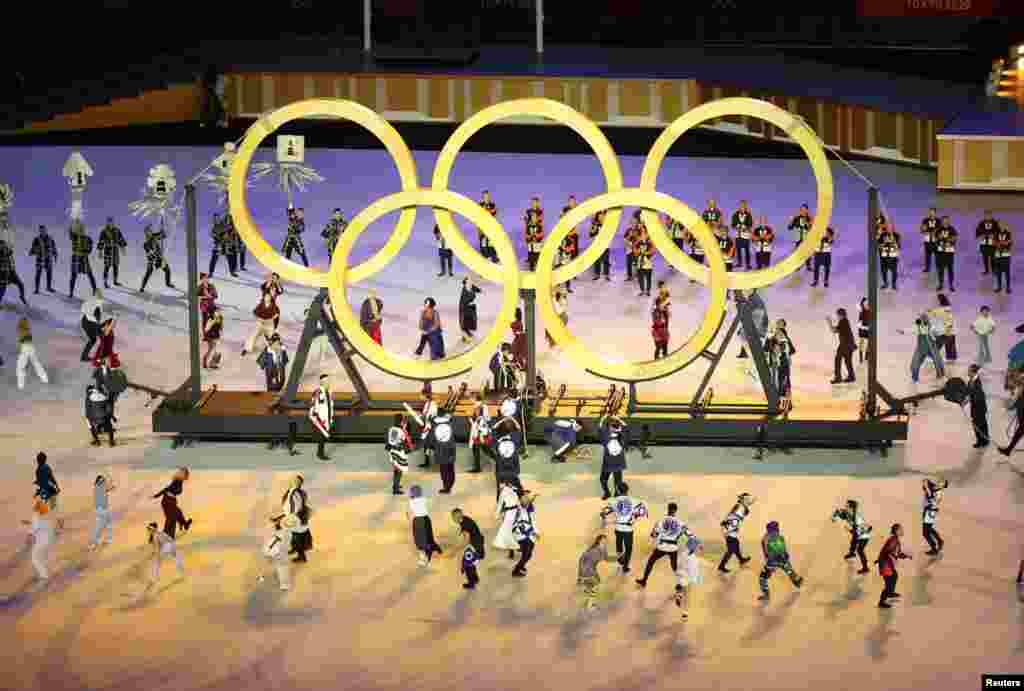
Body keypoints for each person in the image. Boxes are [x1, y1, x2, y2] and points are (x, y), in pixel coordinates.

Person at [599, 484, 647, 574]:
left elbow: (604, 512)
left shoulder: (613, 501)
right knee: (629, 548)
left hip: (618, 527)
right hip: (628, 528)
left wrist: (604, 518)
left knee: (619, 545)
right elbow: (643, 511)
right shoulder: (634, 501)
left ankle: (620, 560)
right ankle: (625, 566)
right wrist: (635, 516)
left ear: (617, 490)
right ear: (627, 490)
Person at [635, 502, 685, 588]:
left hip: (662, 546)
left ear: (668, 509)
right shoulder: (680, 522)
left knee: (651, 561)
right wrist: (675, 537)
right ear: (675, 511)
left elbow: (654, 534)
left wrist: (654, 536)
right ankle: (681, 582)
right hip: (673, 548)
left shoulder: (661, 520)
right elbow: (682, 533)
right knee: (674, 567)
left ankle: (644, 580)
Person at [758, 521, 803, 601]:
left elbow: (766, 552)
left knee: (762, 578)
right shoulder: (781, 537)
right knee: (789, 570)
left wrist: (768, 562)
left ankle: (766, 595)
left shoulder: (765, 539)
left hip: (772, 562)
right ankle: (797, 581)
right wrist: (785, 558)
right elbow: (785, 551)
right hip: (783, 559)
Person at [578, 534, 619, 610]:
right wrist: (582, 575)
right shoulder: (595, 550)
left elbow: (607, 559)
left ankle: (588, 592)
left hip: (590, 569)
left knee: (594, 584)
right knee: (596, 585)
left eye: (606, 540)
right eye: (604, 540)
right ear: (599, 541)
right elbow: (583, 560)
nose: (606, 541)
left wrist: (617, 557)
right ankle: (590, 605)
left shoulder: (602, 549)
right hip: (587, 569)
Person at [875, 523, 911, 608]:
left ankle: (890, 593)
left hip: (888, 563)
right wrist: (891, 556)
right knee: (889, 582)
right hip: (885, 564)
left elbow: (897, 552)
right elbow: (889, 551)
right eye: (900, 529)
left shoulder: (896, 540)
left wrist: (906, 556)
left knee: (894, 576)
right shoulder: (893, 540)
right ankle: (882, 601)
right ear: (896, 531)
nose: (902, 531)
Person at [832, 499, 872, 574]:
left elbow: (863, 529)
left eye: (847, 506)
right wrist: (835, 516)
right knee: (853, 542)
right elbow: (839, 513)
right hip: (857, 533)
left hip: (863, 536)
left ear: (851, 508)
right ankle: (852, 553)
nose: (845, 507)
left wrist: (850, 531)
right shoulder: (847, 513)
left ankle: (865, 568)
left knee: (860, 550)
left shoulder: (857, 518)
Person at [718, 493, 755, 573]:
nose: (748, 501)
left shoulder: (741, 507)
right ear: (742, 499)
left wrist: (726, 523)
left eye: (748, 500)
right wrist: (729, 526)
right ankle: (721, 566)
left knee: (736, 544)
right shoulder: (739, 506)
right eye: (746, 500)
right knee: (731, 549)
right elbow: (732, 516)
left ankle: (741, 560)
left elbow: (735, 515)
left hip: (731, 529)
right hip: (730, 530)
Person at [904, 314, 946, 383]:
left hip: (931, 348)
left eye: (925, 319)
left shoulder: (931, 326)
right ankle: (915, 378)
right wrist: (903, 331)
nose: (923, 321)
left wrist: (939, 334)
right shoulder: (918, 327)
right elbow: (910, 330)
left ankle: (940, 375)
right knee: (915, 363)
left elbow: (939, 332)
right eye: (922, 319)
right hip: (921, 348)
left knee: (938, 361)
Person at [407, 485, 442, 566]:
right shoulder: (424, 499)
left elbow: (409, 513)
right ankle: (436, 548)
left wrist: (408, 517)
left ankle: (424, 559)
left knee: (420, 540)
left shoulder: (411, 501)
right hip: (426, 519)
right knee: (429, 536)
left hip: (418, 521)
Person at [674, 528, 704, 621]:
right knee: (688, 596)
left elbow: (678, 565)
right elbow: (693, 572)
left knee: (681, 587)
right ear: (694, 548)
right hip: (687, 577)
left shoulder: (682, 553)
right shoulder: (694, 559)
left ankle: (679, 593)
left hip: (680, 576)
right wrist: (697, 579)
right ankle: (684, 614)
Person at [281, 475, 312, 563]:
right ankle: (294, 548)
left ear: (300, 483)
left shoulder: (297, 493)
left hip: (296, 518)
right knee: (293, 535)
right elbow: (288, 506)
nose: (294, 482)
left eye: (297, 481)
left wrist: (291, 518)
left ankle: (301, 557)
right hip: (296, 517)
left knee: (297, 537)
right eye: (294, 480)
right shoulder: (294, 492)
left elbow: (294, 507)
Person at [154, 468, 192, 539]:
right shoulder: (177, 481)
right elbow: (167, 489)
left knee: (178, 512)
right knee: (171, 518)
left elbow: (168, 489)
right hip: (168, 501)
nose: (187, 477)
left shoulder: (179, 481)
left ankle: (184, 524)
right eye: (186, 475)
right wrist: (157, 495)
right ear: (183, 475)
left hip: (170, 501)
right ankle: (167, 535)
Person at [452, 508, 485, 589]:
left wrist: (457, 548)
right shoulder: (465, 519)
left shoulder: (465, 524)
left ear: (456, 517)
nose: (452, 519)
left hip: (474, 546)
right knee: (471, 563)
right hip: (478, 543)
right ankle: (475, 578)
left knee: (467, 565)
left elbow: (467, 539)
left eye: (453, 517)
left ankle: (471, 583)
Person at [23, 498, 55, 584]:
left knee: (35, 558)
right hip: (49, 539)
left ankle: (44, 577)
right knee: (42, 558)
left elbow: (33, 529)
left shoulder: (36, 516)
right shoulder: (44, 516)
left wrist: (27, 540)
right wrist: (29, 523)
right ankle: (44, 574)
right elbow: (38, 524)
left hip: (43, 541)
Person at [261, 514, 296, 591]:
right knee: (281, 566)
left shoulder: (284, 531)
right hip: (277, 549)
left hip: (278, 549)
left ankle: (284, 584)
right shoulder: (283, 531)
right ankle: (284, 584)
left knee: (280, 566)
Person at [598, 416, 629, 499]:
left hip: (614, 462)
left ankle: (614, 493)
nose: (614, 427)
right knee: (606, 480)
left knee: (615, 481)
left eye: (615, 426)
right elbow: (600, 427)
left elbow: (626, 428)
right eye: (613, 426)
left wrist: (618, 419)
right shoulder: (608, 436)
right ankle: (609, 493)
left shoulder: (619, 436)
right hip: (611, 462)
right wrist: (605, 418)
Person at [511, 490, 539, 577]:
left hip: (528, 533)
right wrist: (532, 496)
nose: (527, 499)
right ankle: (516, 570)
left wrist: (535, 532)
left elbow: (532, 519)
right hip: (521, 535)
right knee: (527, 554)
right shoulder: (519, 506)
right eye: (525, 496)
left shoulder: (529, 507)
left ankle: (521, 565)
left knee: (528, 553)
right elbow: (525, 502)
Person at [139, 224, 174, 293]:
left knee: (167, 270)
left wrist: (162, 232)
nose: (150, 232)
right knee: (148, 273)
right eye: (148, 231)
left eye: (150, 231)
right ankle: (142, 287)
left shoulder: (154, 236)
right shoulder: (146, 243)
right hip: (151, 260)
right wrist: (152, 254)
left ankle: (168, 283)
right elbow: (149, 252)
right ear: (146, 233)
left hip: (159, 258)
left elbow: (164, 236)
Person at [15, 318, 48, 390]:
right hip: (31, 348)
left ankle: (20, 385)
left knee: (20, 367)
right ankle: (45, 379)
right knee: (36, 363)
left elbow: (22, 340)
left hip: (25, 348)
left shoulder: (23, 330)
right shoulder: (27, 330)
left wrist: (20, 346)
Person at [243, 291, 279, 357]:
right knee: (253, 335)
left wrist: (273, 321)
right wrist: (259, 318)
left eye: (268, 297)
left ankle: (273, 351)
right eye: (266, 297)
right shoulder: (261, 304)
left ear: (270, 298)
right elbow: (254, 312)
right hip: (260, 322)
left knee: (272, 337)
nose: (267, 298)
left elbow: (276, 315)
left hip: (269, 323)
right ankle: (247, 348)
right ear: (264, 297)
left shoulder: (274, 306)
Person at [493, 420, 524, 499]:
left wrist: (502, 420)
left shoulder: (496, 438)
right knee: (518, 490)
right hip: (513, 470)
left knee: (500, 492)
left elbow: (494, 428)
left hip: (500, 471)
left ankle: (501, 505)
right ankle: (521, 503)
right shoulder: (515, 437)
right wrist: (511, 418)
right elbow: (519, 428)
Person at [68, 219, 97, 297]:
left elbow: (90, 248)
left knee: (90, 275)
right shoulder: (74, 237)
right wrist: (73, 223)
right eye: (79, 228)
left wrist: (86, 251)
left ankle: (95, 290)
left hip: (84, 258)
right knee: (73, 275)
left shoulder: (88, 238)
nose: (81, 230)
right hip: (75, 258)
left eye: (82, 228)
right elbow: (70, 233)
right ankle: (71, 292)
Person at [309, 374, 335, 461]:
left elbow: (331, 404)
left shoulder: (330, 392)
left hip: (327, 417)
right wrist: (316, 416)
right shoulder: (317, 392)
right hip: (320, 417)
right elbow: (314, 405)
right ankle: (320, 454)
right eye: (326, 381)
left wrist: (331, 417)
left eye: (328, 381)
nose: (328, 382)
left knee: (323, 436)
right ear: (322, 382)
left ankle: (320, 452)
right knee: (321, 435)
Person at [96, 217, 127, 288]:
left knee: (116, 266)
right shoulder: (103, 231)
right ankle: (105, 282)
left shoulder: (117, 230)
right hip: (107, 250)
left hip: (115, 250)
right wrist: (100, 252)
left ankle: (115, 281)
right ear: (107, 223)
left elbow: (121, 239)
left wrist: (123, 249)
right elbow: (101, 241)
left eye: (111, 222)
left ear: (113, 222)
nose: (110, 223)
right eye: (109, 222)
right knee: (107, 266)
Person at [431, 410, 457, 494]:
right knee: (450, 467)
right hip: (450, 448)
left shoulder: (434, 424)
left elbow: (433, 438)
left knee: (443, 469)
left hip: (440, 449)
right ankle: (450, 484)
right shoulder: (450, 422)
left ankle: (446, 487)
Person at [34, 452, 61, 530]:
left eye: (38, 459)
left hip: (45, 491)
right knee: (53, 508)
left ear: (38, 460)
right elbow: (51, 478)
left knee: (42, 509)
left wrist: (37, 492)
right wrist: (57, 486)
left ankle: (42, 525)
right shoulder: (46, 467)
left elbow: (40, 482)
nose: (37, 461)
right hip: (50, 490)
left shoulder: (38, 470)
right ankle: (57, 524)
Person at [828, 308, 856, 384]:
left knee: (838, 359)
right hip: (849, 344)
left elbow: (834, 330)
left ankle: (838, 377)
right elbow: (837, 330)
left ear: (840, 315)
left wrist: (829, 322)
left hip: (845, 345)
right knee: (847, 361)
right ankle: (851, 376)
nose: (837, 316)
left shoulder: (843, 321)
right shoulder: (845, 321)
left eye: (838, 315)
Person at [387, 414, 414, 495]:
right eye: (403, 421)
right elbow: (408, 442)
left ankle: (396, 485)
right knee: (398, 470)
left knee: (397, 469)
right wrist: (411, 448)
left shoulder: (391, 428)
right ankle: (395, 489)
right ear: (401, 421)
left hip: (392, 451)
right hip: (399, 452)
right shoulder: (402, 431)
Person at [468, 392, 494, 473]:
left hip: (480, 431)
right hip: (478, 430)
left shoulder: (481, 406)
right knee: (477, 448)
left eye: (472, 398)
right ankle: (477, 467)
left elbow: (483, 419)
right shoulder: (478, 406)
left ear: (475, 398)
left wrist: (479, 430)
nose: (470, 399)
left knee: (485, 448)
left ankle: (499, 460)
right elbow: (482, 418)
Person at [88, 474, 116, 550]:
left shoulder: (97, 487)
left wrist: (110, 482)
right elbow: (112, 487)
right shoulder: (101, 488)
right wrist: (111, 481)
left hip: (99, 509)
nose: (103, 481)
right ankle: (96, 542)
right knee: (103, 526)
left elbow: (111, 488)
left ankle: (99, 541)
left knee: (102, 525)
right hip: (103, 509)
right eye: (102, 480)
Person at [922, 478, 948, 555]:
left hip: (930, 511)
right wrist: (926, 483)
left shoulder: (939, 493)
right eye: (939, 481)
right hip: (928, 510)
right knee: (929, 529)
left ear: (943, 486)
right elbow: (926, 483)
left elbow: (931, 500)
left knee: (925, 532)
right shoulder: (934, 488)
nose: (939, 482)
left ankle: (934, 548)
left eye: (941, 482)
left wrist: (927, 488)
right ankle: (939, 541)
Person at [28, 224, 58, 293]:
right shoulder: (36, 239)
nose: (42, 231)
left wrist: (55, 255)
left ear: (46, 230)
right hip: (40, 259)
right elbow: (32, 249)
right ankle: (37, 289)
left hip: (48, 259)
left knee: (49, 274)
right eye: (41, 230)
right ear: (39, 231)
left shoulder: (50, 238)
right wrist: (34, 251)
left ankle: (49, 287)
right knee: (38, 274)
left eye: (43, 230)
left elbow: (54, 248)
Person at [208, 213, 239, 277]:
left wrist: (229, 232)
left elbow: (230, 230)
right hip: (219, 245)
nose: (216, 220)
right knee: (214, 259)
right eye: (215, 219)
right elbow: (213, 235)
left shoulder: (224, 225)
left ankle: (232, 271)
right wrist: (219, 236)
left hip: (225, 245)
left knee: (230, 258)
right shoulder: (214, 227)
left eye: (217, 218)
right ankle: (211, 272)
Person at [998, 383, 1024, 457]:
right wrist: (1006, 406)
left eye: (1020, 388)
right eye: (1019, 388)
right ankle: (1008, 450)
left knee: (1017, 435)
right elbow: (1013, 406)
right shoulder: (1020, 397)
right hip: (1021, 422)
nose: (1018, 389)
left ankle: (1008, 450)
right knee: (1017, 435)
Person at [966, 364, 989, 448]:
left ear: (973, 372)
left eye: (969, 370)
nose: (967, 372)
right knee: (977, 424)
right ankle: (981, 440)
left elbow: (978, 394)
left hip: (980, 407)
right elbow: (969, 393)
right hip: (974, 407)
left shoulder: (978, 381)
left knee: (981, 424)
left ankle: (984, 441)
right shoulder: (970, 381)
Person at [0, 237, 27, 306]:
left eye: (4, 245)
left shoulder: (8, 251)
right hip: (3, 273)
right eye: (1, 246)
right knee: (3, 289)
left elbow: (10, 255)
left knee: (20, 284)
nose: (3, 247)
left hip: (12, 272)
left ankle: (22, 297)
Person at [787, 204, 813, 271]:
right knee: (797, 253)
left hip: (807, 238)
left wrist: (807, 223)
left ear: (807, 210)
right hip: (798, 238)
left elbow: (812, 228)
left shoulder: (810, 218)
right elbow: (790, 228)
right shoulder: (796, 218)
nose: (803, 211)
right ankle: (797, 266)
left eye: (804, 209)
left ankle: (808, 266)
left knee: (807, 252)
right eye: (801, 209)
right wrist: (791, 221)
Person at [80, 287, 104, 362]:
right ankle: (101, 356)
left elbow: (83, 309)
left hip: (86, 322)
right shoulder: (95, 303)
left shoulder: (93, 301)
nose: (100, 295)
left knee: (95, 339)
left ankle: (84, 356)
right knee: (100, 338)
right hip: (89, 323)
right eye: (99, 294)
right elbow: (96, 316)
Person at [935, 216, 958, 292]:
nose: (945, 222)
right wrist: (939, 238)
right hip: (940, 252)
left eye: (946, 220)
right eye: (944, 221)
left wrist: (949, 240)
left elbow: (955, 238)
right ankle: (940, 284)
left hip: (949, 252)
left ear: (949, 221)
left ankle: (951, 285)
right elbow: (935, 239)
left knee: (950, 269)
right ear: (942, 221)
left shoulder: (952, 229)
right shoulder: (938, 229)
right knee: (940, 269)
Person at [731, 200, 754, 270]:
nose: (742, 207)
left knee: (747, 250)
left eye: (744, 205)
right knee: (738, 249)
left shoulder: (749, 215)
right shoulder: (735, 214)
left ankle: (748, 264)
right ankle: (739, 263)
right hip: (738, 235)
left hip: (745, 235)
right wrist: (737, 227)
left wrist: (744, 227)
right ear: (739, 206)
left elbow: (750, 224)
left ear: (746, 206)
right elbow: (733, 224)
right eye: (741, 205)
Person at [976, 210, 1000, 275]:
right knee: (985, 258)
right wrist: (980, 236)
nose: (988, 217)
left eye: (989, 215)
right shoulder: (981, 223)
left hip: (992, 243)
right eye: (986, 215)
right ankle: (986, 270)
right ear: (984, 216)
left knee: (993, 258)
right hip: (983, 244)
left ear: (991, 216)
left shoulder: (995, 223)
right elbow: (977, 233)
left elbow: (998, 232)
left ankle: (993, 270)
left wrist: (994, 237)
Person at [878, 222, 901, 291]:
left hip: (893, 257)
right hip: (884, 256)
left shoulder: (896, 235)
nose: (889, 228)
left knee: (894, 272)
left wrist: (893, 242)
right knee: (884, 271)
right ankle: (885, 283)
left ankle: (893, 284)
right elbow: (879, 246)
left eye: (891, 227)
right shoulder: (882, 235)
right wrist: (884, 242)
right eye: (888, 227)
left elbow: (898, 247)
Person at [459, 277, 481, 343]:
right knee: (465, 321)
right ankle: (465, 336)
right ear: (465, 282)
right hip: (465, 307)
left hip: (471, 307)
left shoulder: (472, 287)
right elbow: (464, 300)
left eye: (470, 281)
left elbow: (478, 290)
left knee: (471, 320)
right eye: (468, 281)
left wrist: (479, 290)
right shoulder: (464, 290)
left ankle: (468, 333)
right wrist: (469, 303)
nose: (470, 282)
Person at [590, 210, 611, 280]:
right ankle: (597, 274)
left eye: (603, 216)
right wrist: (594, 228)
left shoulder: (608, 224)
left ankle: (607, 275)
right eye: (600, 216)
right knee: (597, 260)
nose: (601, 217)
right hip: (596, 245)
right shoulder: (594, 224)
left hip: (606, 245)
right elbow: (590, 234)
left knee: (606, 260)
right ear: (597, 217)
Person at [524, 197, 544, 271]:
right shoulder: (528, 211)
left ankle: (537, 264)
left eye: (535, 202)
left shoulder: (540, 211)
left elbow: (540, 220)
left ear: (538, 203)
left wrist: (537, 233)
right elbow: (526, 219)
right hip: (530, 232)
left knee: (537, 250)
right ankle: (531, 263)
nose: (534, 204)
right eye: (533, 202)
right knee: (530, 249)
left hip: (537, 233)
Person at [479, 191, 499, 262]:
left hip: (491, 228)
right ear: (483, 197)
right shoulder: (480, 205)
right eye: (485, 197)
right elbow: (479, 215)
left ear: (489, 197)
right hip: (482, 228)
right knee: (483, 244)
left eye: (488, 196)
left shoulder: (492, 204)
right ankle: (484, 260)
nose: (486, 198)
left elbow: (494, 214)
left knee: (492, 244)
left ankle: (494, 259)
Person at [993, 223, 1012, 293]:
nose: (1001, 227)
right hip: (998, 255)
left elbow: (1009, 243)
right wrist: (1002, 243)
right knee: (998, 272)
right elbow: (994, 243)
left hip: (1006, 255)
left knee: (1007, 272)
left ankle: (1008, 287)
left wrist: (1000, 243)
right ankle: (999, 287)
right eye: (1000, 226)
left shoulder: (1008, 234)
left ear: (1005, 226)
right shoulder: (996, 234)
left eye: (1003, 225)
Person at [920, 207, 940, 274]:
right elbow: (922, 229)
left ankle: (938, 267)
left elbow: (940, 230)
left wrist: (935, 233)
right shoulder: (925, 220)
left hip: (935, 240)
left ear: (935, 213)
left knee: (937, 255)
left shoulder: (938, 221)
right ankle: (927, 268)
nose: (931, 213)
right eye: (930, 212)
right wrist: (924, 230)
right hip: (927, 240)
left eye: (933, 212)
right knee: (927, 255)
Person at [857, 298, 871, 364]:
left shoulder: (870, 311)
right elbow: (859, 323)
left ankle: (866, 358)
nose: (867, 305)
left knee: (869, 344)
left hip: (868, 328)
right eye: (865, 303)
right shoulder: (861, 312)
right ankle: (861, 359)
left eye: (868, 304)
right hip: (862, 329)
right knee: (861, 344)